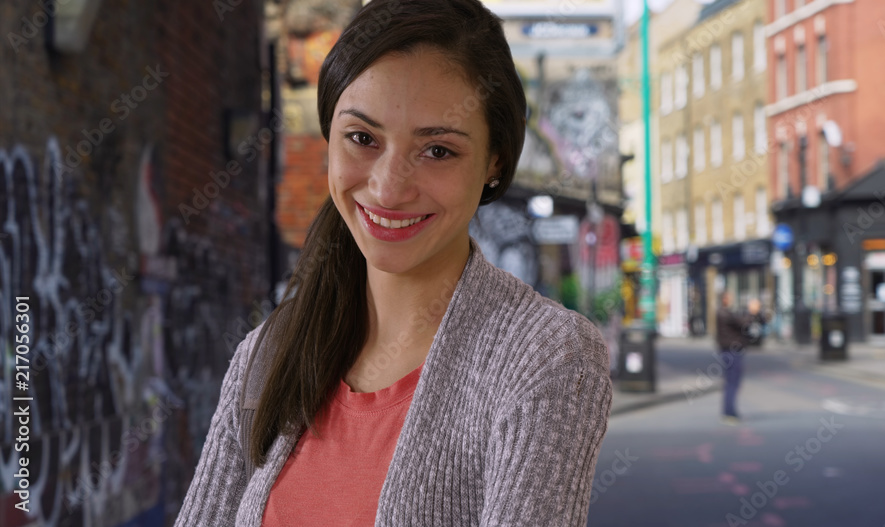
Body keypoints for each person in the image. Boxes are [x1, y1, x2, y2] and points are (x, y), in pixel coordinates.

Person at [175, 1, 612, 525]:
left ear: (495, 161)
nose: (387, 187)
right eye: (362, 138)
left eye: (437, 151)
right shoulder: (267, 354)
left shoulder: (545, 359)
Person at [715, 291, 761, 425]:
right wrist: (752, 312)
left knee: (730, 382)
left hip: (728, 351)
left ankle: (729, 411)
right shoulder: (725, 314)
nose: (732, 299)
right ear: (724, 299)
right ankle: (729, 413)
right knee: (732, 383)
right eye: (729, 297)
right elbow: (742, 323)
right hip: (731, 352)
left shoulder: (724, 312)